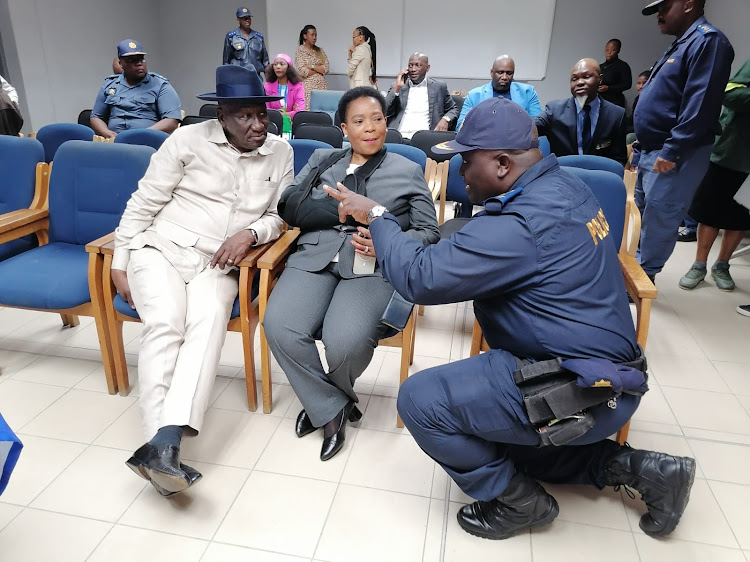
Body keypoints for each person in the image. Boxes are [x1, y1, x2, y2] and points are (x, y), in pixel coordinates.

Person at [325, 97, 696, 541]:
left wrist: (379, 215)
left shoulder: (519, 224)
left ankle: (521, 504)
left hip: (576, 386)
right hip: (608, 376)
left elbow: (420, 277)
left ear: (502, 163)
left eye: (466, 161)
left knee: (421, 401)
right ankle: (648, 471)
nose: (461, 174)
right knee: (496, 441)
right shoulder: (567, 187)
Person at [114, 65, 292, 496]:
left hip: (221, 262)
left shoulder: (280, 152)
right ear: (222, 116)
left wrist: (252, 233)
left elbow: (283, 213)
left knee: (209, 321)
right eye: (245, 116)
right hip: (162, 249)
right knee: (167, 324)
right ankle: (166, 443)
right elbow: (144, 201)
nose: (257, 125)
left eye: (262, 115)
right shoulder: (186, 141)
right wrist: (119, 260)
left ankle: (160, 448)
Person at [263, 87, 439, 462]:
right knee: (280, 326)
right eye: (359, 121)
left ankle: (323, 403)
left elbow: (430, 232)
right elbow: (290, 202)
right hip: (315, 256)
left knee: (345, 342)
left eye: (377, 119)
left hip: (370, 267)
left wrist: (389, 242)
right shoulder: (324, 159)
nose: (371, 128)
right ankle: (331, 407)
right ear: (344, 128)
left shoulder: (407, 170)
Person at [633, 0, 734, 281]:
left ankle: (643, 280)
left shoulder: (708, 41)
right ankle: (635, 273)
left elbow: (699, 105)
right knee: (642, 217)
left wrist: (673, 150)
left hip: (676, 153)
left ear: (689, 3)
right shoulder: (681, 43)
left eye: (665, 7)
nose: (660, 15)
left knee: (660, 218)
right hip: (654, 149)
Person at [678, 58, 750, 292]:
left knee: (735, 208)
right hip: (732, 150)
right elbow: (728, 91)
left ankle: (722, 265)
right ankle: (700, 265)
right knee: (708, 206)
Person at [534, 58, 627, 164]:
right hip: (563, 176)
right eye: (574, 79)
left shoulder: (616, 115)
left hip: (598, 177)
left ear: (600, 79)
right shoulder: (554, 110)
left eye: (586, 77)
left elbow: (619, 159)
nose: (579, 82)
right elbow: (529, 128)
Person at [90, 40, 182, 139]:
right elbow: (96, 117)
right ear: (121, 63)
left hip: (147, 142)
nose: (139, 64)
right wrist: (106, 132)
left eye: (141, 59)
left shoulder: (160, 85)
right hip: (114, 142)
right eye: (132, 60)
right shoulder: (110, 85)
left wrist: (141, 135)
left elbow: (172, 120)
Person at [385, 52, 458, 140]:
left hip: (425, 138)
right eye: (410, 65)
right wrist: (396, 88)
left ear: (427, 68)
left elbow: (453, 109)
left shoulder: (438, 86)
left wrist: (445, 119)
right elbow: (384, 111)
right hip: (399, 136)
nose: (413, 69)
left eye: (418, 65)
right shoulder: (398, 86)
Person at [457, 55, 542, 129]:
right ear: (491, 73)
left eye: (509, 73)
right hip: (484, 142)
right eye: (500, 72)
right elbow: (460, 127)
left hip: (519, 143)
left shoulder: (528, 92)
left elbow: (538, 125)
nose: (504, 77)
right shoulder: (474, 95)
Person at [222, 7, 269, 77]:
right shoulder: (231, 37)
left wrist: (269, 82)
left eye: (249, 18)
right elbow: (226, 62)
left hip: (255, 77)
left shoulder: (258, 37)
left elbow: (265, 61)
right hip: (237, 77)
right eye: (244, 18)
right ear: (238, 19)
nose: (247, 20)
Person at [295, 25, 330, 110]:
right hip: (308, 88)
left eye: (316, 35)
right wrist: (319, 69)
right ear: (305, 36)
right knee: (309, 111)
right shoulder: (300, 51)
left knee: (323, 112)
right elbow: (303, 72)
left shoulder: (320, 51)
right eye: (312, 35)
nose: (314, 37)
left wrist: (312, 66)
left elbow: (326, 68)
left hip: (322, 87)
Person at [264, 54, 306, 118]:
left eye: (282, 64)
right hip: (273, 123)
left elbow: (300, 111)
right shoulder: (268, 86)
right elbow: (267, 111)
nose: (278, 67)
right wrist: (291, 113)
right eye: (275, 64)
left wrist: (278, 114)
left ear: (288, 67)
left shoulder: (298, 86)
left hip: (292, 124)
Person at [599, 39, 633, 108]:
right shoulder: (600, 67)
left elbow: (627, 84)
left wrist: (609, 88)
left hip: (615, 102)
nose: (609, 52)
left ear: (618, 51)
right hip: (600, 101)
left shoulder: (622, 66)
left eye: (613, 50)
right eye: (607, 50)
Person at [627, 70, 651, 137]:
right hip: (637, 127)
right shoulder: (637, 98)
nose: (641, 86)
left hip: (647, 130)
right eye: (639, 83)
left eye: (644, 83)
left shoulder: (654, 100)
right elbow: (633, 118)